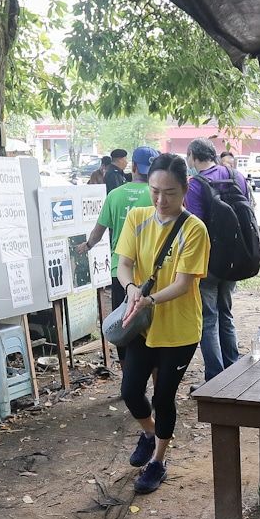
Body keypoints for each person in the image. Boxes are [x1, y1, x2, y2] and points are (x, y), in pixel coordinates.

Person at [115, 153, 209, 494]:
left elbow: (184, 282)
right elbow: (124, 264)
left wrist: (149, 298)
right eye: (154, 190)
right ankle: (149, 432)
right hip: (140, 322)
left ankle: (158, 461)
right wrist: (131, 290)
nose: (160, 199)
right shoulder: (137, 218)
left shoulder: (194, 229)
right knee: (130, 390)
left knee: (164, 395)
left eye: (169, 192)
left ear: (185, 190)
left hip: (179, 328)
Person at [77, 146, 159, 364]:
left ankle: (127, 373)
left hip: (120, 270)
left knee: (123, 321)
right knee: (149, 319)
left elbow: (98, 231)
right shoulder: (156, 196)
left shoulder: (115, 195)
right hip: (150, 271)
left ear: (132, 166)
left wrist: (87, 245)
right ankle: (152, 371)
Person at [185, 137, 247, 383]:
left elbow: (195, 227)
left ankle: (215, 378)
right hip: (235, 257)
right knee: (226, 312)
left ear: (192, 157)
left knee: (209, 319)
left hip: (209, 262)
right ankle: (233, 367)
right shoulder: (236, 175)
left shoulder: (196, 184)